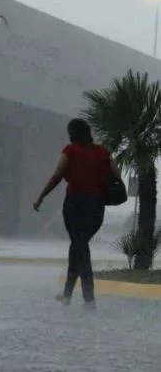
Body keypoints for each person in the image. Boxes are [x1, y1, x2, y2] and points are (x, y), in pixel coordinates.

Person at [33, 118, 121, 309]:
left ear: (73, 133)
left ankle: (89, 299)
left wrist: (41, 196)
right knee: (79, 246)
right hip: (96, 207)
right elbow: (117, 174)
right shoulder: (103, 152)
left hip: (75, 204)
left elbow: (57, 176)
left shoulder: (70, 151)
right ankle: (67, 295)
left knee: (80, 247)